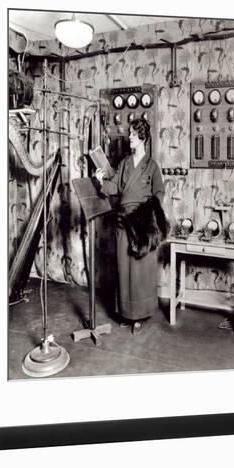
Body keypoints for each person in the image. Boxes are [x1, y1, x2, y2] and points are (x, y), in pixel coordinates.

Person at [94, 118, 165, 334]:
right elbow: (115, 186)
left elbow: (159, 193)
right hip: (123, 223)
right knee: (124, 269)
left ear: (143, 137)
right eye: (130, 134)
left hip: (141, 225)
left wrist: (146, 216)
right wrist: (100, 182)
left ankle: (140, 315)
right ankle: (126, 313)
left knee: (140, 271)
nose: (130, 138)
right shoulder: (124, 163)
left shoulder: (152, 167)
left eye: (133, 134)